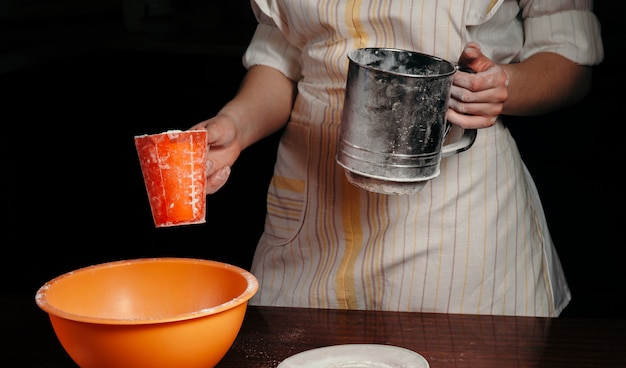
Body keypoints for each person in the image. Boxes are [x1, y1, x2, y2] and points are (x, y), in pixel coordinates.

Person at [190, 0, 604, 316]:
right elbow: (283, 61)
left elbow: (570, 59)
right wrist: (236, 124)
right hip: (311, 218)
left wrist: (502, 86)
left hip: (457, 221)